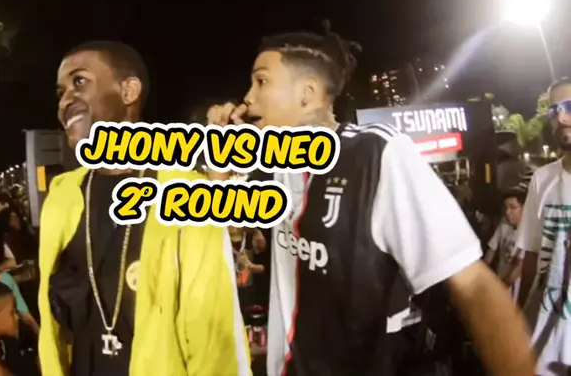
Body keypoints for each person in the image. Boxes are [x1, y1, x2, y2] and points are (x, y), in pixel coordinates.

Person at [208, 27, 535, 376]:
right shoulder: (275, 164)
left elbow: (473, 285)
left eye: (261, 81)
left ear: (307, 94)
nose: (248, 97)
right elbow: (226, 229)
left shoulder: (378, 154)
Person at [40, 41, 249, 376]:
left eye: (79, 82)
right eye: (60, 92)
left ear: (129, 91)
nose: (65, 101)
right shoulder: (62, 197)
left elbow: (215, 335)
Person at [517, 77, 571, 375]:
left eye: (569, 107)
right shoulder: (542, 179)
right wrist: (518, 319)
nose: (560, 118)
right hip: (545, 342)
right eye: (554, 110)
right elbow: (531, 256)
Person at [483, 185, 526, 301]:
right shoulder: (503, 226)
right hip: (500, 281)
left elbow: (518, 266)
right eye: (506, 207)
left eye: (513, 207)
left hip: (514, 287)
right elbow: (490, 252)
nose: (508, 212)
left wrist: (502, 287)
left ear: (523, 208)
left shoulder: (527, 232)